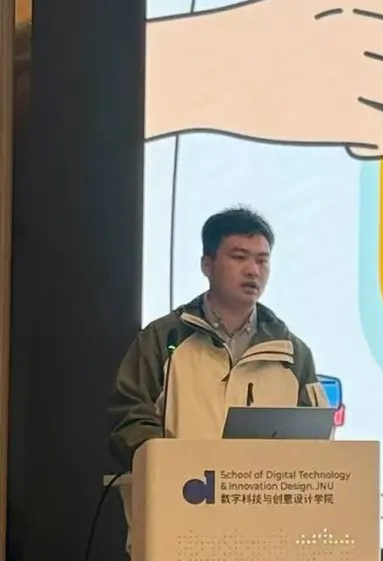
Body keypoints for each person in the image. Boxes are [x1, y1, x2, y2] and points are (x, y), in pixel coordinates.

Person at [106, 206, 326, 548]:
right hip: (178, 523)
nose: (253, 270)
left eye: (262, 260)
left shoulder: (292, 353)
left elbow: (316, 440)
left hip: (267, 533)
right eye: (239, 257)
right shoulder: (164, 339)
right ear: (206, 265)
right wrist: (179, 468)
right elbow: (128, 419)